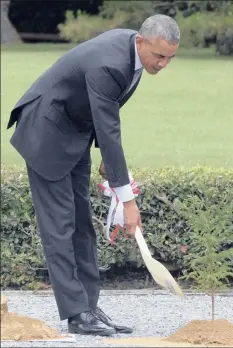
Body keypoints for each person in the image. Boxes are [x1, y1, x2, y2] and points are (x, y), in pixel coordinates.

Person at [7, 14, 180, 337]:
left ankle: (88, 305)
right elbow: (110, 127)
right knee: (60, 225)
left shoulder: (135, 52)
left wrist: (104, 155)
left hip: (75, 132)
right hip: (46, 131)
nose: (163, 64)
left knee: (82, 224)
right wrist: (128, 202)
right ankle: (76, 313)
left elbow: (105, 110)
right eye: (159, 56)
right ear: (141, 42)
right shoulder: (111, 64)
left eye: (170, 57)